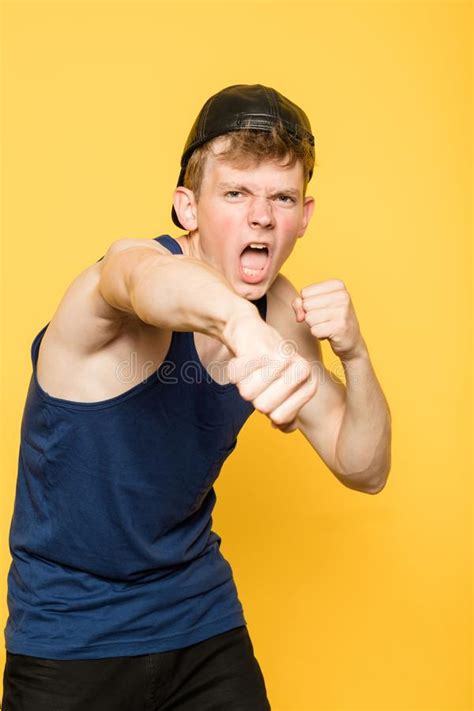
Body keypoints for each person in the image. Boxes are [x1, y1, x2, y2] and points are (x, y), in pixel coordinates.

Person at [2, 83, 392, 710]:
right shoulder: (123, 281)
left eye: (281, 198)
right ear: (187, 207)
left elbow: (364, 468)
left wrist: (356, 356)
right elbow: (145, 280)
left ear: (304, 216)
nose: (261, 216)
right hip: (71, 634)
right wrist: (240, 327)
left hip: (200, 618)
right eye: (236, 193)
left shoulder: (282, 315)